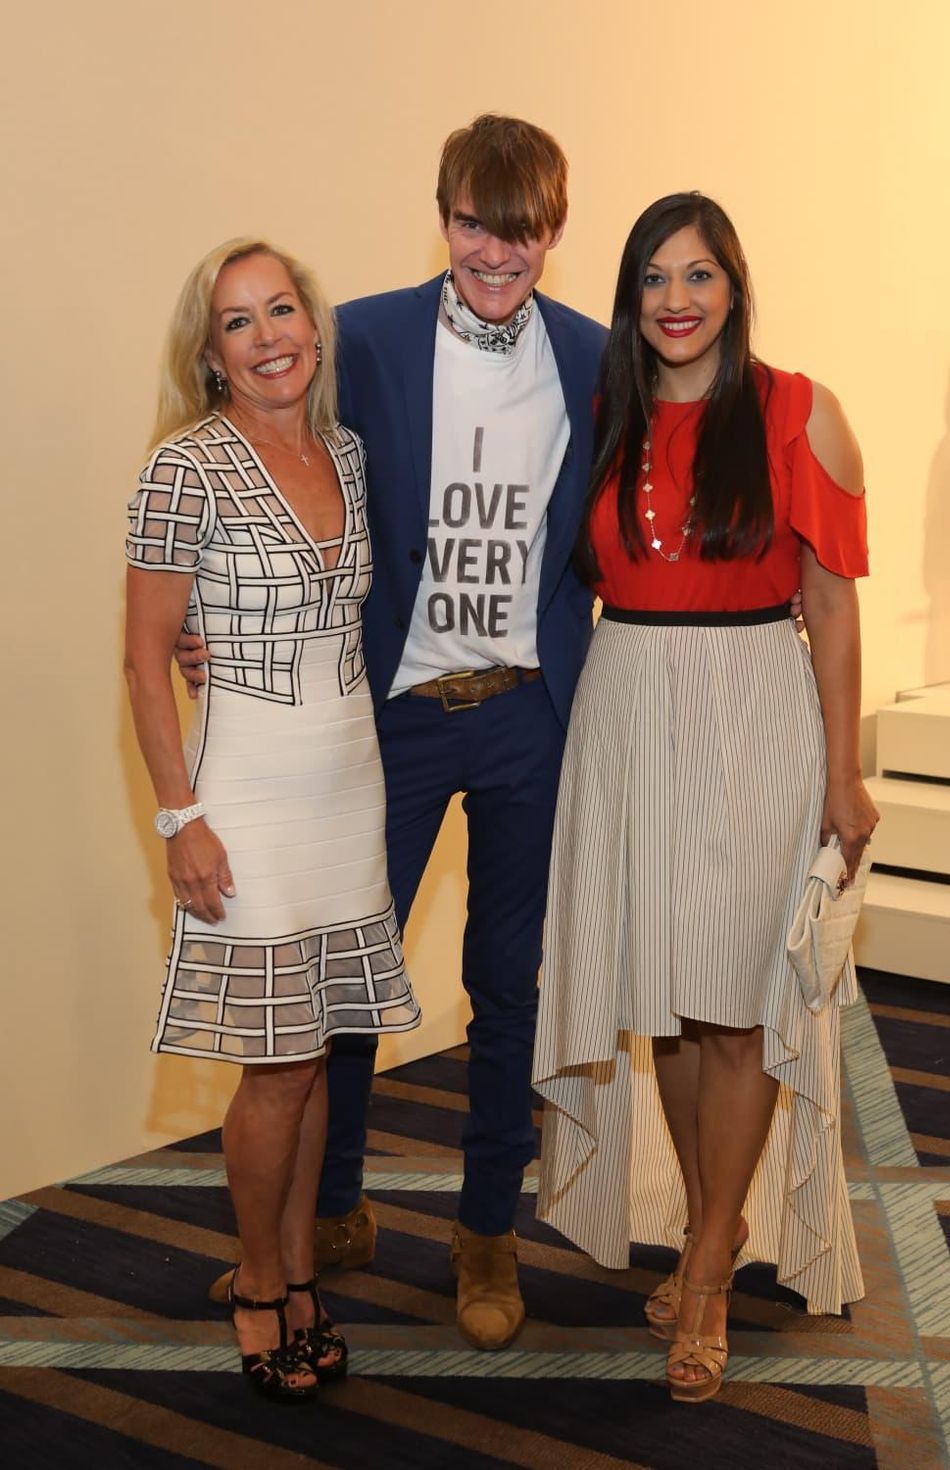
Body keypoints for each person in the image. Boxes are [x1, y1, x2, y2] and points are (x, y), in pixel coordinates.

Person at [179, 115, 607, 1350]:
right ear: (444, 215)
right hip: (390, 718)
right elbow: (273, 465)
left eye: (520, 230)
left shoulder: (591, 355)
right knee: (348, 990)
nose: (495, 250)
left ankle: (485, 1235)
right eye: (474, 222)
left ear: (551, 233)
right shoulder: (361, 336)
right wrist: (203, 617)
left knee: (502, 984)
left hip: (529, 713)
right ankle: (334, 1209)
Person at [532, 192, 878, 1402]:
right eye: (651, 280)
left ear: (733, 284)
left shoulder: (798, 412)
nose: (674, 302)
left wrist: (842, 771)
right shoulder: (602, 412)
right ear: (631, 297)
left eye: (697, 276)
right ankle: (705, 1225)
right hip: (627, 709)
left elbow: (831, 608)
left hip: (752, 716)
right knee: (666, 1003)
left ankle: (712, 1268)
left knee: (734, 1003)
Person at [125, 238, 420, 1401]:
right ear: (208, 354)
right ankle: (256, 1282)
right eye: (238, 323)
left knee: (319, 1055)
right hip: (242, 790)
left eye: (281, 310)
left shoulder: (343, 452)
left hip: (348, 785)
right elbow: (148, 664)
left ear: (313, 322)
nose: (267, 338)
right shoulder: (183, 468)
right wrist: (178, 819)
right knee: (277, 1064)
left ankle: (301, 1272)